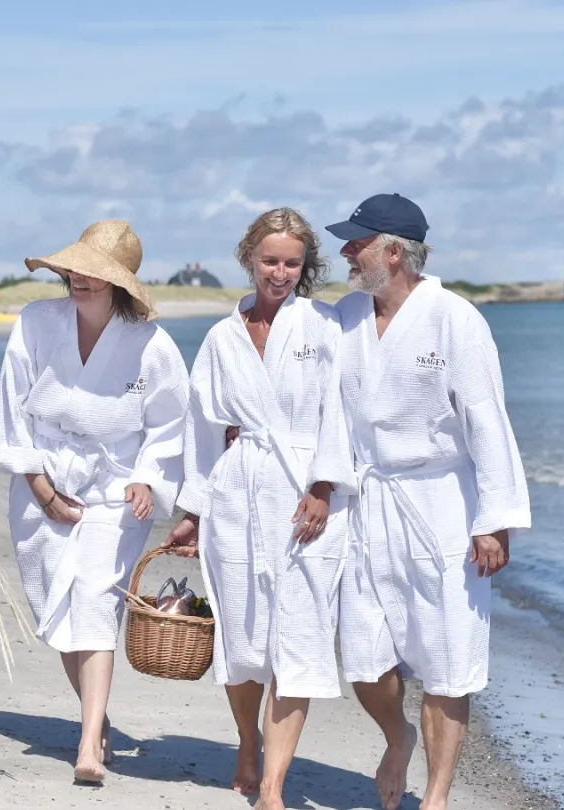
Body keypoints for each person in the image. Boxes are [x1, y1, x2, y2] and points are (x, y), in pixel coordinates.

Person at [322, 193, 530, 810]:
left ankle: (436, 798)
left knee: (447, 658)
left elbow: (486, 419)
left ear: (394, 251)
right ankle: (396, 736)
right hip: (370, 500)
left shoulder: (455, 319)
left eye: (356, 242)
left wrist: (495, 522)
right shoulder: (347, 318)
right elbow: (319, 404)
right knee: (362, 656)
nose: (345, 252)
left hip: (442, 505)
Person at [161, 208, 351, 809]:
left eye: (292, 263)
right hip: (238, 493)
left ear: (305, 266)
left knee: (298, 634)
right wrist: (192, 508)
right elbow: (202, 427)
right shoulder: (222, 337)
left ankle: (273, 783)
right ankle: (248, 742)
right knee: (242, 637)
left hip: (304, 495)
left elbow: (340, 411)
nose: (281, 272)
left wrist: (324, 485)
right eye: (270, 260)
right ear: (250, 259)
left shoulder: (322, 326)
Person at [0, 220, 188, 784]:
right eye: (76, 268)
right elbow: (12, 408)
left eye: (96, 273)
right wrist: (41, 489)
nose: (81, 279)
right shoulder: (36, 322)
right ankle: (95, 721)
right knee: (59, 603)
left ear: (120, 283)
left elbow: (169, 421)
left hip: (113, 487)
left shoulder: (151, 344)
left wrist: (147, 478)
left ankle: (87, 746)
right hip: (44, 475)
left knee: (96, 598)